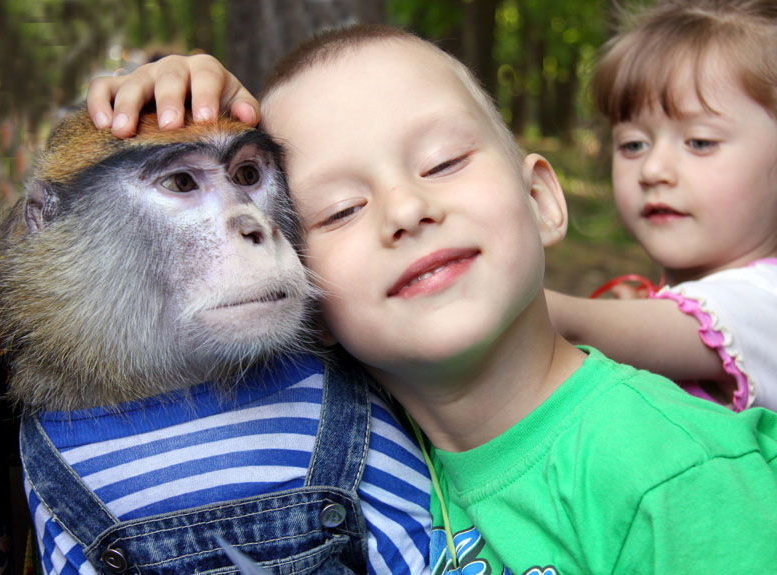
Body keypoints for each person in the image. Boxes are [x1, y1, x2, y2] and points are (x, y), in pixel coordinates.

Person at [88, 23, 777, 574]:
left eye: (444, 163)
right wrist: (192, 117)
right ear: (303, 293)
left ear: (539, 200)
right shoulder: (352, 444)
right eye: (341, 209)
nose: (406, 208)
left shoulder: (672, 474)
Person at [544, 0, 777, 413]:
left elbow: (574, 325)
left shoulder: (766, 302)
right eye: (634, 144)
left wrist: (507, 304)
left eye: (700, 142)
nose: (652, 169)